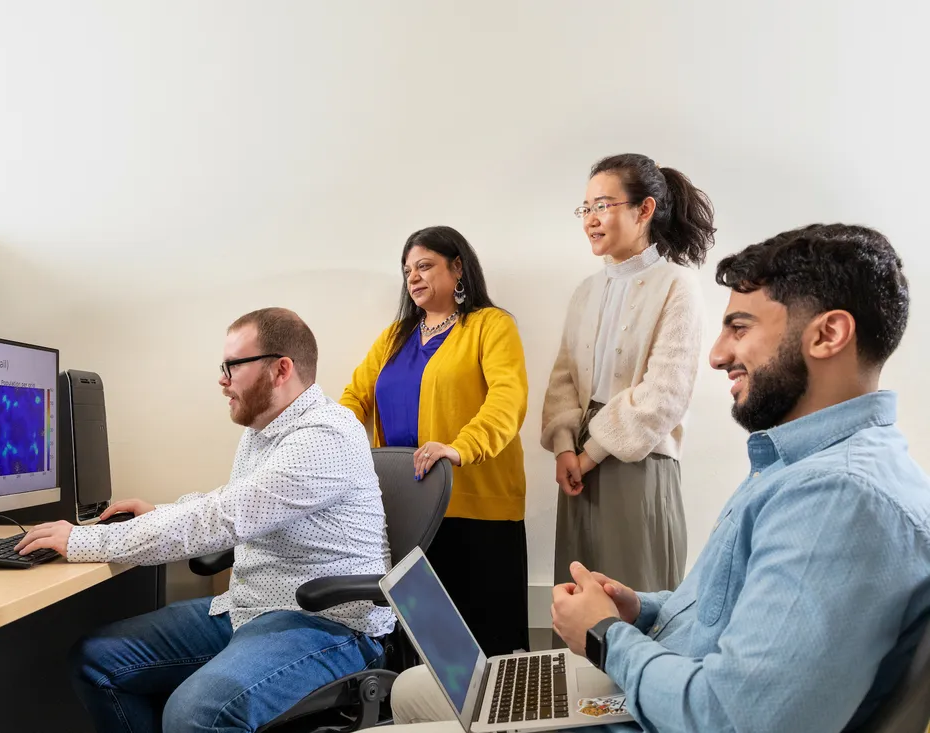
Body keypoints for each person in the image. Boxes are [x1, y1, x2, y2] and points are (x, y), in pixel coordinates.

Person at [391, 224, 930, 731]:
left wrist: (605, 635)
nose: (717, 355)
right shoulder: (801, 464)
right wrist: (641, 608)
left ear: (829, 334)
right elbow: (727, 613)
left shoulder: (839, 498)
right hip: (657, 677)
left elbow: (727, 717)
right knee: (416, 687)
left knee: (414, 707)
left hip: (656, 711)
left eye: (739, 328)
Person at [14, 308, 396, 733]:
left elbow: (220, 519)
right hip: (249, 606)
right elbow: (228, 503)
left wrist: (81, 541)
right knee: (97, 660)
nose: (222, 379)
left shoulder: (322, 437)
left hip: (328, 625)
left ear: (280, 369)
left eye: (233, 365)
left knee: (196, 713)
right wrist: (161, 512)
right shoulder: (265, 429)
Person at [341, 225, 530, 657]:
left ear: (457, 267)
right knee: (426, 649)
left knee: (484, 647)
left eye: (425, 265)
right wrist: (336, 441)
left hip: (475, 510)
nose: (413, 278)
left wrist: (460, 447)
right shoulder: (395, 337)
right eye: (408, 270)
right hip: (405, 510)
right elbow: (355, 396)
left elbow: (508, 400)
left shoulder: (490, 326)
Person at [541, 153, 715, 599]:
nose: (591, 220)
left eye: (603, 205)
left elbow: (665, 394)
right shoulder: (586, 290)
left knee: (634, 599)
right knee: (577, 598)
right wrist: (565, 448)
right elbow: (564, 379)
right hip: (578, 463)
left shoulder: (677, 285)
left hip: (639, 462)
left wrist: (591, 453)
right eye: (586, 208)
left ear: (645, 210)